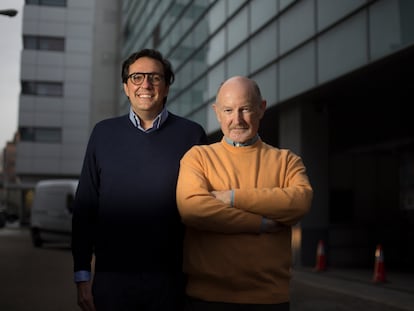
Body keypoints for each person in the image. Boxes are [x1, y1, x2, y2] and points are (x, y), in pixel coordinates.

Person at [71, 48, 207, 311]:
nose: (145, 84)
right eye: (137, 77)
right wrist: (82, 274)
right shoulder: (103, 134)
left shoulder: (192, 136)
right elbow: (85, 208)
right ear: (125, 86)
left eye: (155, 78)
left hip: (173, 281)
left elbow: (205, 209)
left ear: (166, 87)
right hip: (112, 281)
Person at [176, 76, 313, 310]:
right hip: (206, 299)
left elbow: (299, 202)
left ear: (261, 109)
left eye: (245, 109)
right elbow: (192, 210)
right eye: (228, 110)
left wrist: (230, 197)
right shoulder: (198, 157)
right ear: (216, 112)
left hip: (269, 299)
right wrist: (259, 223)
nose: (236, 119)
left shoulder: (287, 161)